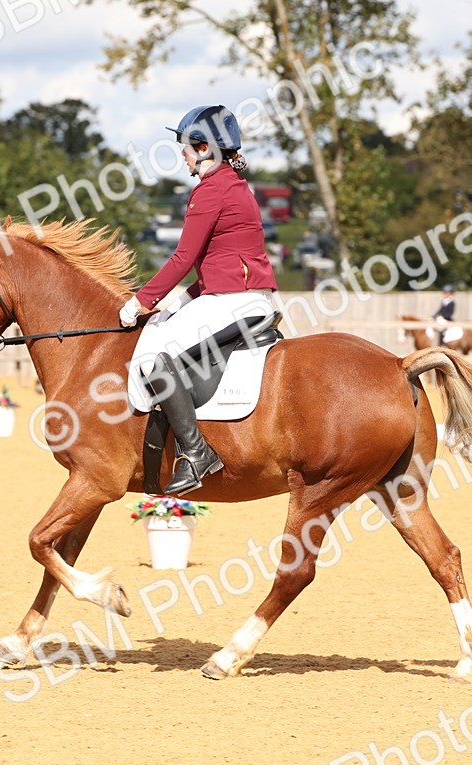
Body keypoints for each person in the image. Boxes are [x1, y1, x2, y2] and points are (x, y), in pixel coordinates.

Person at [118, 105, 278, 496]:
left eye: (186, 149)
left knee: (152, 356)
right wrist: (177, 302)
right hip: (242, 295)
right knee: (163, 331)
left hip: (233, 301)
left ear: (205, 148)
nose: (184, 158)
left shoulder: (211, 189)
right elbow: (215, 262)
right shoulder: (235, 185)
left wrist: (140, 302)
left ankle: (196, 452)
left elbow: (183, 258)